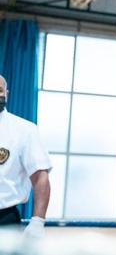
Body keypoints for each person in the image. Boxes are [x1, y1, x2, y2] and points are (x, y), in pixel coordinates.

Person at [0, 74, 51, 239]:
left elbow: (40, 176)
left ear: (7, 93)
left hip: (4, 220)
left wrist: (38, 221)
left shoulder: (25, 130)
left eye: (0, 90)